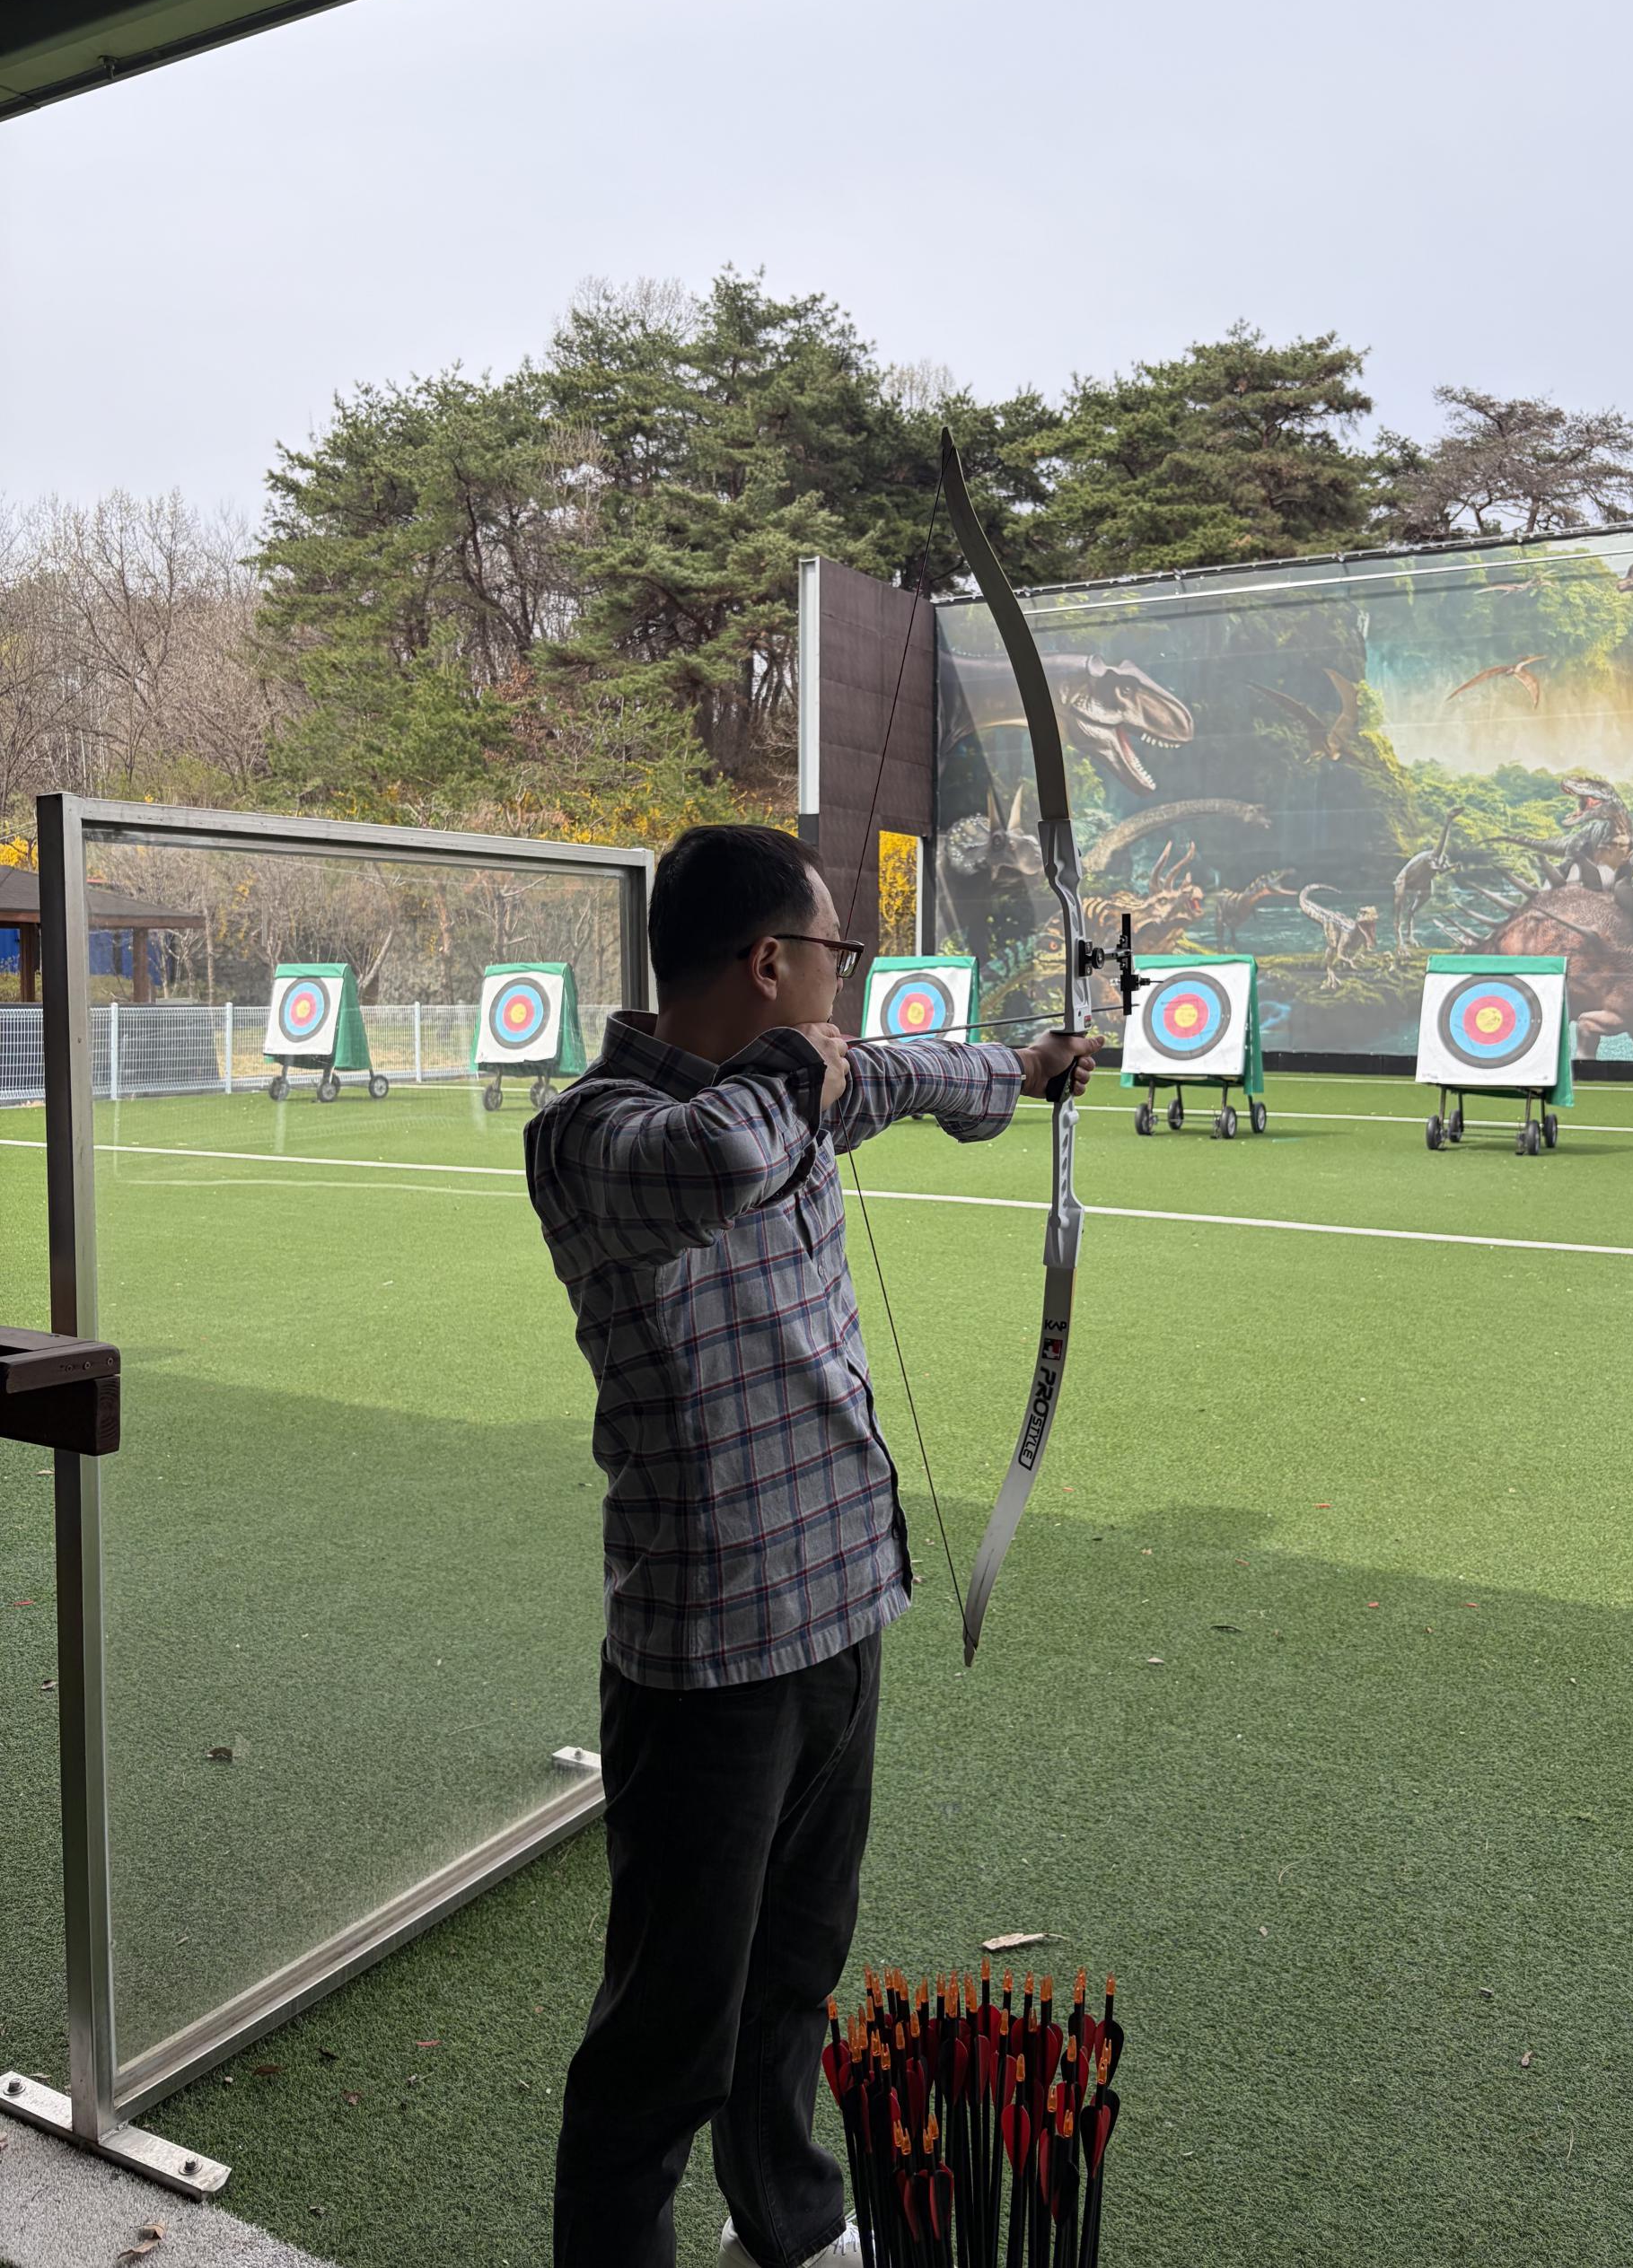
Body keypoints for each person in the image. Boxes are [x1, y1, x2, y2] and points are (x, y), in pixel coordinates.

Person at [523, 824, 1098, 2268]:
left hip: (842, 1601)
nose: (850, 981)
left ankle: (786, 2220)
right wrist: (812, 1067)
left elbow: (902, 1073)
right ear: (770, 962)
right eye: (838, 953)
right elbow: (719, 1157)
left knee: (794, 1970)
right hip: (711, 1647)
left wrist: (1026, 1070)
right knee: (668, 2033)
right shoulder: (593, 1134)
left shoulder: (801, 1091)